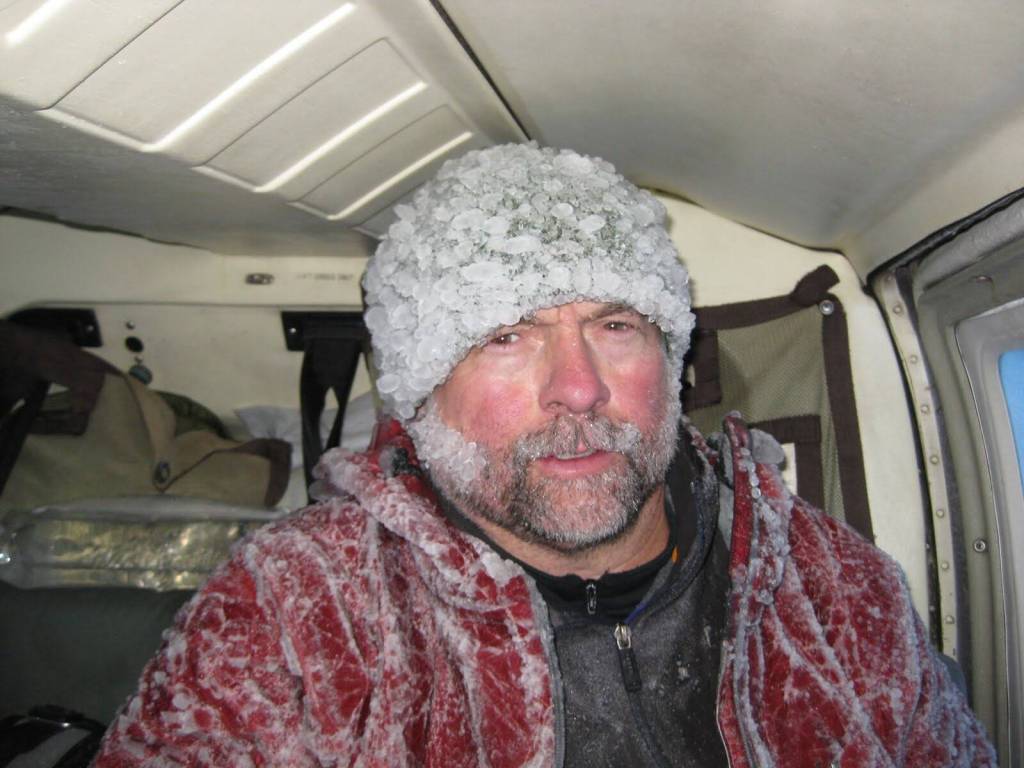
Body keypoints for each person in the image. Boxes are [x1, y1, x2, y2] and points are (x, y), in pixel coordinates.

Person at [94, 143, 995, 767]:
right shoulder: (299, 610)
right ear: (422, 388)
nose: (578, 388)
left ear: (673, 360)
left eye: (615, 325)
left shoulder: (835, 592)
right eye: (506, 336)